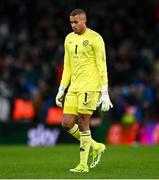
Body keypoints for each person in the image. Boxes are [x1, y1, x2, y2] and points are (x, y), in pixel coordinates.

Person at [56, 8, 113, 173]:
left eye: (76, 22)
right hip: (73, 87)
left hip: (90, 86)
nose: (73, 25)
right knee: (66, 123)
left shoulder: (95, 38)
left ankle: (83, 164)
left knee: (83, 122)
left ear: (84, 21)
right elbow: (67, 66)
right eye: (71, 22)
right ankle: (96, 146)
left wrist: (105, 92)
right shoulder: (68, 39)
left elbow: (102, 67)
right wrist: (61, 89)